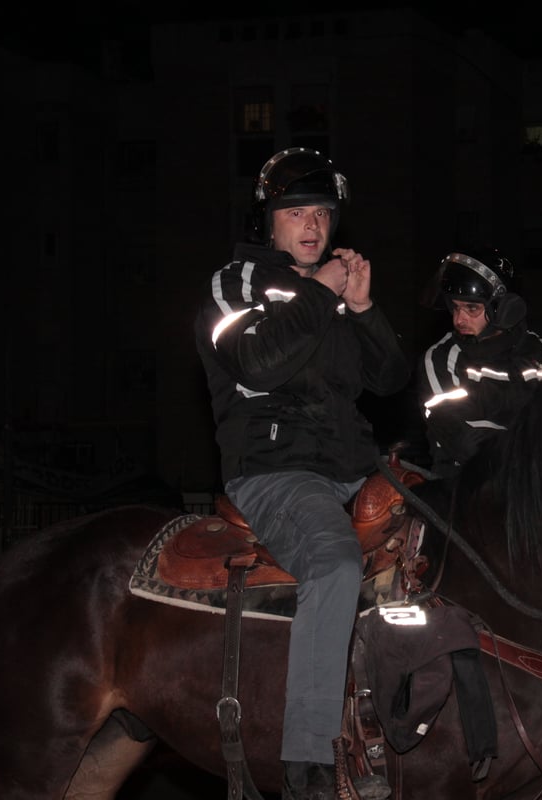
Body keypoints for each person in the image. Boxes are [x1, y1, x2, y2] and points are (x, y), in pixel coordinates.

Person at [193, 147, 410, 800]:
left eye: (322, 213)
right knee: (334, 563)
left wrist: (366, 312)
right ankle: (309, 760)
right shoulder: (239, 283)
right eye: (295, 212)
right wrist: (321, 294)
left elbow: (392, 380)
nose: (312, 224)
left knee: (453, 544)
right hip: (276, 470)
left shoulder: (338, 295)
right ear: (270, 221)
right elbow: (256, 364)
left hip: (355, 471)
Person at [417, 248, 542, 477]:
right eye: (455, 306)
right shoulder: (441, 359)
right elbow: (463, 439)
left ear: (503, 308)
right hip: (467, 486)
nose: (458, 318)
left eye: (471, 308)